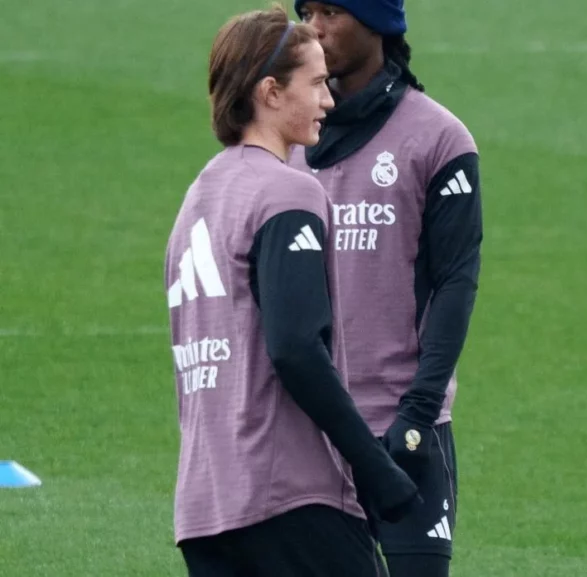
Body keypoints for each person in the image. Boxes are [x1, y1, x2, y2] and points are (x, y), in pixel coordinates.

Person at [164, 6, 419, 576]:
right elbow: (296, 348)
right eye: (315, 83)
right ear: (271, 92)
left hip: (207, 508)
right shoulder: (286, 192)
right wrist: (375, 469)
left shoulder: (198, 201)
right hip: (291, 498)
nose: (329, 100)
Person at [289, 2, 482, 576]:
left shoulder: (439, 139)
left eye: (331, 11)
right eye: (306, 11)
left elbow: (455, 281)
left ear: (378, 22)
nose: (314, 28)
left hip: (403, 427)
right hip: (305, 432)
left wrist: (420, 411)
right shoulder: (284, 144)